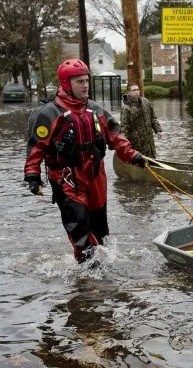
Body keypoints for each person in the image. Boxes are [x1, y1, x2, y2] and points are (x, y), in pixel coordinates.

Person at [24, 59, 147, 263]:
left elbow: (115, 136)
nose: (85, 85)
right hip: (67, 179)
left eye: (86, 80)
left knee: (101, 231)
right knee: (80, 230)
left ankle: (103, 271)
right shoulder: (50, 114)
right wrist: (32, 176)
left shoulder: (95, 110)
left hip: (95, 174)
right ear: (66, 84)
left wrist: (132, 155)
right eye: (79, 81)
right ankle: (88, 278)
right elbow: (36, 147)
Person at [121, 83, 162, 158]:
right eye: (134, 90)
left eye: (137, 89)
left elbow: (153, 117)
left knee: (152, 160)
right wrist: (125, 145)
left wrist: (157, 130)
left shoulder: (145, 102)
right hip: (136, 143)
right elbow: (124, 128)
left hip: (149, 141)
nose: (137, 92)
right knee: (141, 163)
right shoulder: (126, 108)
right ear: (128, 92)